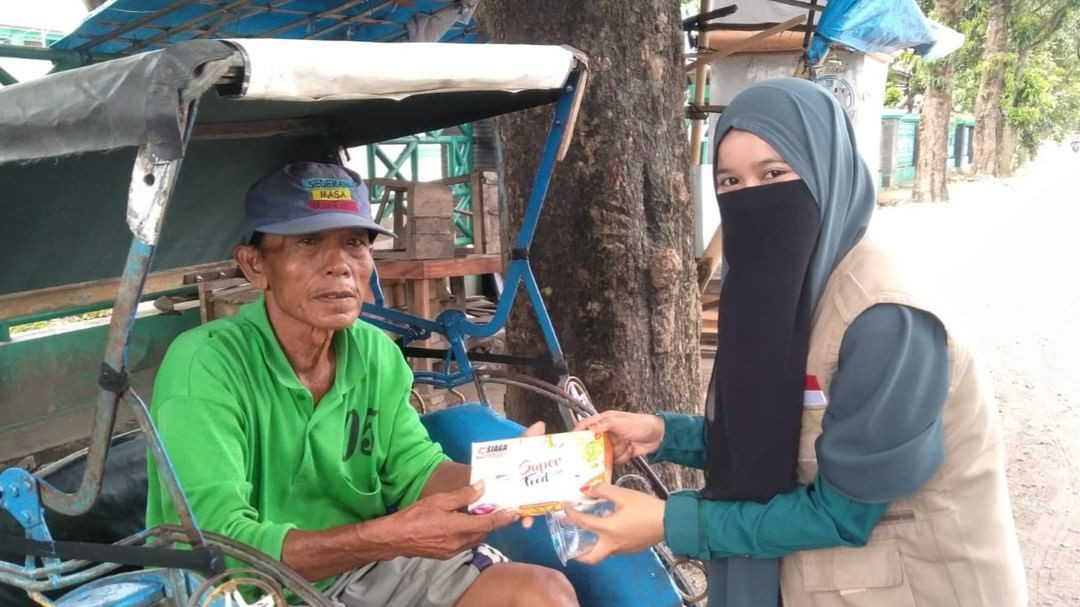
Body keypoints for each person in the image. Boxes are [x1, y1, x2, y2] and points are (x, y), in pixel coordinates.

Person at [563, 78, 1028, 606]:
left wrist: (672, 521)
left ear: (827, 169)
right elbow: (775, 433)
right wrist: (662, 433)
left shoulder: (886, 322)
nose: (754, 198)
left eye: (775, 173)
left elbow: (844, 512)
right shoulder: (782, 294)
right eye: (731, 182)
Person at [146, 162, 577, 607]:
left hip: (362, 568)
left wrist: (515, 479)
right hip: (244, 589)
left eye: (353, 243)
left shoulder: (375, 354)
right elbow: (221, 546)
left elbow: (417, 472)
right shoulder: (206, 363)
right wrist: (387, 537)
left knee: (542, 595)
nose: (339, 266)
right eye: (308, 242)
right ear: (255, 266)